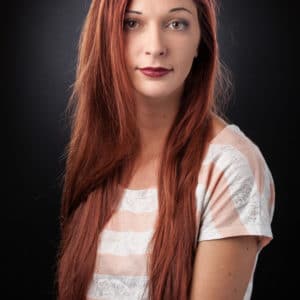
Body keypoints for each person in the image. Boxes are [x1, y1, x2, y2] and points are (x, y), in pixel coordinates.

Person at [55, 0, 275, 299]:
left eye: (176, 24)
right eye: (132, 23)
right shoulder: (94, 155)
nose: (156, 47)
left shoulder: (229, 165)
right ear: (105, 37)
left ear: (201, 43)